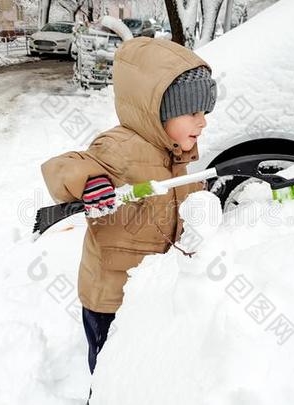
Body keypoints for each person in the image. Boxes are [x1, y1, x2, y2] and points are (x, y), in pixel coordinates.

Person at [40, 36, 217, 399]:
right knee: (109, 376)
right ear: (160, 112)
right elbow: (63, 168)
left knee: (143, 370)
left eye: (205, 113)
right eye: (193, 112)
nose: (202, 123)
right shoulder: (118, 148)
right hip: (110, 298)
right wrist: (90, 183)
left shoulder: (178, 157)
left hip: (151, 293)